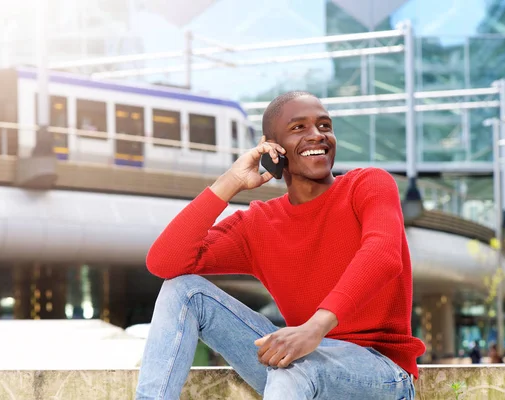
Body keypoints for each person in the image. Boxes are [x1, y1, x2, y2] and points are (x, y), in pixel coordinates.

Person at [135, 91, 426, 399]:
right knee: (184, 290)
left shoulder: (367, 184)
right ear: (272, 148)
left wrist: (314, 329)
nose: (317, 136)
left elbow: (382, 255)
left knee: (295, 366)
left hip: (381, 373)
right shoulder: (258, 223)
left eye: (325, 126)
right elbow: (164, 262)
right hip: (298, 366)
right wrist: (229, 182)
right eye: (298, 128)